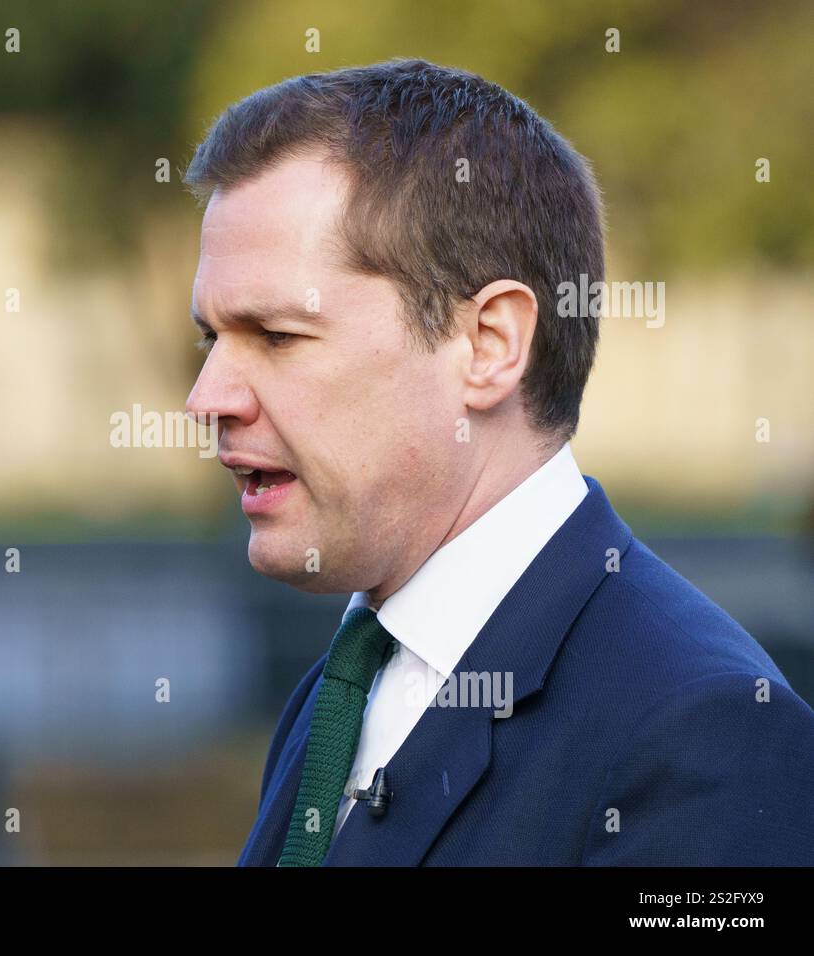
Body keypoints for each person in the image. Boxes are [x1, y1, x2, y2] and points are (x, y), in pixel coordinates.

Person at [181, 58, 814, 866]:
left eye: (276, 336)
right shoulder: (342, 689)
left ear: (489, 345)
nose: (208, 397)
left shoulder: (705, 735)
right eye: (212, 338)